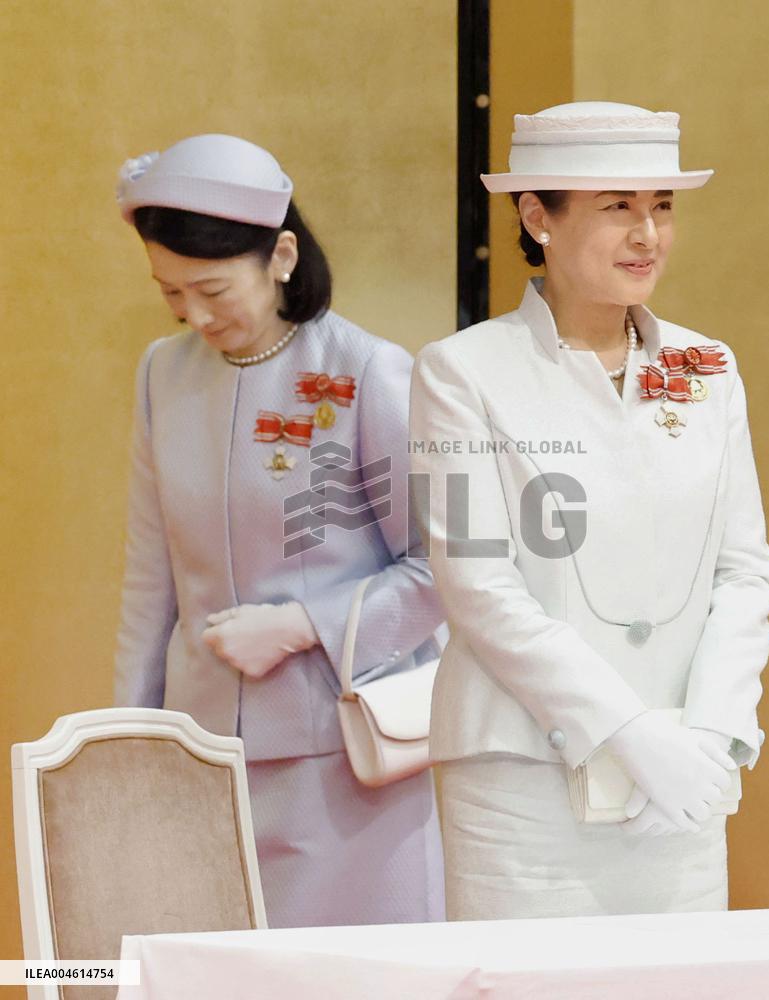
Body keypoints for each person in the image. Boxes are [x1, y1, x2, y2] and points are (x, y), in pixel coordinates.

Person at [409, 102, 769, 919]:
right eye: (618, 206)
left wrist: (712, 738)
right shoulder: (461, 373)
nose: (647, 234)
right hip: (521, 784)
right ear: (536, 215)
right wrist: (626, 734)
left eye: (662, 206)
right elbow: (477, 587)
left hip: (684, 782)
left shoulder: (706, 366)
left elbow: (746, 571)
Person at [114, 133, 445, 927]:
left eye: (213, 290)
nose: (193, 315)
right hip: (202, 758)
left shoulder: (370, 371)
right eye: (170, 293)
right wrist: (131, 739)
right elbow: (149, 576)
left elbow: (443, 567)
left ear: (283, 256)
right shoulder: (164, 372)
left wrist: (302, 625)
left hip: (348, 763)